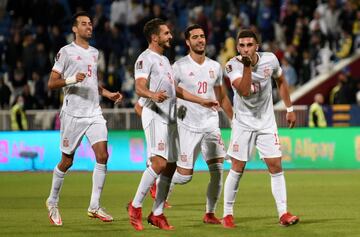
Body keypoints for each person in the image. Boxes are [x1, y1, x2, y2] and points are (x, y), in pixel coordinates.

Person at [127, 18, 218, 231]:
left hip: (170, 118)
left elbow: (175, 90)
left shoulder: (165, 60)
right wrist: (151, 94)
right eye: (166, 33)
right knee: (158, 163)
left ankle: (157, 214)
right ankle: (135, 206)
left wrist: (201, 100)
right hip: (154, 114)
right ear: (154, 37)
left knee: (170, 167)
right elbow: (139, 87)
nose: (170, 36)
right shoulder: (145, 58)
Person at [45, 11, 123, 226]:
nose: (89, 27)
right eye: (84, 24)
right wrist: (71, 79)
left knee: (103, 155)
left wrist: (107, 94)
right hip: (73, 114)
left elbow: (92, 81)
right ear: (74, 29)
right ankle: (52, 201)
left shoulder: (95, 52)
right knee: (67, 161)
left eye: (90, 24)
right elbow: (52, 83)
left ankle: (94, 206)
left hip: (94, 112)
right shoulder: (66, 52)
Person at [222, 29, 299, 228]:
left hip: (266, 121)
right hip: (243, 123)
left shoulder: (270, 60)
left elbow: (280, 80)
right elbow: (245, 90)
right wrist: (247, 67)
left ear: (257, 46)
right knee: (237, 168)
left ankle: (283, 213)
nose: (245, 49)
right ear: (238, 47)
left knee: (275, 165)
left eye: (250, 45)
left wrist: (289, 108)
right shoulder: (232, 66)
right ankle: (227, 214)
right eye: (242, 45)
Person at [167, 24, 233, 224]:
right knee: (185, 176)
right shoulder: (178, 67)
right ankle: (160, 179)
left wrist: (235, 121)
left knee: (218, 170)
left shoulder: (215, 67)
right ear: (187, 42)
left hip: (210, 124)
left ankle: (210, 213)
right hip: (187, 125)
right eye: (195, 37)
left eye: (202, 36)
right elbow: (171, 90)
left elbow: (222, 97)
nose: (200, 40)